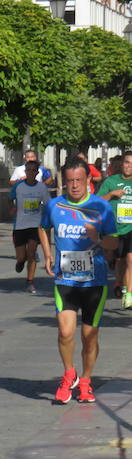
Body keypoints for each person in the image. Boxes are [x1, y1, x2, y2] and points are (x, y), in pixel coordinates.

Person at [39, 157, 118, 404]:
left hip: (94, 280)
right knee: (65, 332)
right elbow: (43, 228)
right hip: (65, 279)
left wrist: (97, 238)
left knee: (89, 336)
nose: (74, 186)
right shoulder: (54, 206)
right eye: (70, 181)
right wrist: (48, 254)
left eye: (79, 180)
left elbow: (114, 243)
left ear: (88, 181)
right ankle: (69, 374)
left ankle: (85, 381)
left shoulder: (101, 207)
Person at [8, 160, 51, 293]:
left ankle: (30, 281)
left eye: (33, 170)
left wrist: (47, 218)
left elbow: (48, 203)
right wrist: (12, 208)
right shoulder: (19, 186)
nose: (31, 173)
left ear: (37, 172)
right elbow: (9, 198)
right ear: (25, 172)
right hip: (20, 225)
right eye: (29, 170)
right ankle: (20, 261)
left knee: (31, 253)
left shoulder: (41, 188)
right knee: (22, 256)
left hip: (35, 225)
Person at [98, 151, 132, 308]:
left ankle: (129, 295)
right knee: (119, 260)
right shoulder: (111, 181)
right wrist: (111, 194)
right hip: (114, 228)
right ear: (121, 164)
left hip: (131, 227)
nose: (129, 166)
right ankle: (120, 283)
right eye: (126, 162)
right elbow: (97, 201)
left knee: (130, 259)